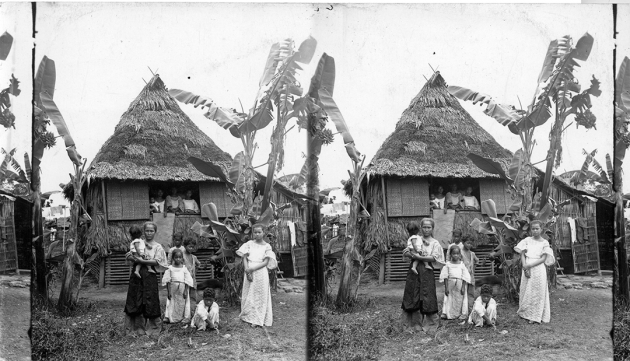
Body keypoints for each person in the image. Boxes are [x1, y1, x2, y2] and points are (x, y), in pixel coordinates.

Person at [401, 219, 445, 334]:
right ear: (421, 227)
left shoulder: (435, 243)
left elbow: (434, 258)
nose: (426, 229)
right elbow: (406, 252)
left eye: (429, 227)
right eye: (424, 227)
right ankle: (413, 325)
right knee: (412, 294)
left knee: (428, 295)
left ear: (432, 228)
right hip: (414, 271)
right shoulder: (416, 238)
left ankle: (430, 324)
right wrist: (411, 254)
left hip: (427, 271)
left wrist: (420, 258)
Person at [124, 222, 168, 336]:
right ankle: (136, 328)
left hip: (150, 275)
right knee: (135, 298)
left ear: (155, 232)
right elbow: (130, 255)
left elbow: (157, 261)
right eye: (147, 231)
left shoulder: (158, 247)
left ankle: (153, 328)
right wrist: (130, 256)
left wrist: (142, 261)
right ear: (144, 231)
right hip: (137, 275)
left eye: (151, 231)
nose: (149, 233)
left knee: (151, 299)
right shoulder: (139, 242)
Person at [236, 223, 278, 327]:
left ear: (264, 233)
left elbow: (265, 262)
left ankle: (258, 318)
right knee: (249, 292)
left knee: (260, 294)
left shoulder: (267, 246)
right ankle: (249, 315)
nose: (257, 234)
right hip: (249, 269)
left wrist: (252, 269)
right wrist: (247, 270)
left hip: (260, 272)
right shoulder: (249, 243)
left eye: (259, 232)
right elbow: (244, 257)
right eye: (255, 232)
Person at [514, 220, 555, 324]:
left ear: (541, 229)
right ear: (530, 230)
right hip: (526, 266)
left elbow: (543, 258)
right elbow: (522, 254)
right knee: (527, 289)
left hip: (538, 268)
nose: (535, 231)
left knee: (537, 291)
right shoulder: (527, 240)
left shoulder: (544, 242)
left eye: (537, 228)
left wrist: (530, 265)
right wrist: (525, 266)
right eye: (533, 229)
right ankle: (526, 312)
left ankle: (535, 315)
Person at [162, 248, 194, 324]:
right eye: (176, 257)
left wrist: (186, 291)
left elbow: (187, 280)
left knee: (181, 303)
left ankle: (184, 317)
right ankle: (168, 317)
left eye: (180, 257)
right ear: (173, 258)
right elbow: (168, 281)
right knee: (171, 302)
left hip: (182, 289)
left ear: (182, 258)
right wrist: (169, 292)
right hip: (173, 288)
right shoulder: (170, 268)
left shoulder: (184, 268)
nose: (178, 259)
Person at [439, 247, 471, 320]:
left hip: (459, 284)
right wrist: (446, 287)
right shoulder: (448, 264)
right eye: (454, 254)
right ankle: (446, 313)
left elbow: (465, 276)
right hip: (450, 284)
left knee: (459, 299)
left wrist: (463, 287)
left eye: (457, 254)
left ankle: (461, 313)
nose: (455, 255)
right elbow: (445, 276)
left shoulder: (461, 265)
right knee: (449, 298)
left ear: (460, 255)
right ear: (450, 254)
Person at [182, 237, 202, 307]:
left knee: (193, 298)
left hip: (193, 281)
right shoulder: (181, 256)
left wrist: (198, 266)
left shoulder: (194, 257)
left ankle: (192, 313)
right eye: (189, 246)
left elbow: (198, 264)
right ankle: (185, 315)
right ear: (185, 246)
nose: (191, 248)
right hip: (183, 281)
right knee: (184, 298)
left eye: (192, 247)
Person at [461, 237, 479, 305]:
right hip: (462, 277)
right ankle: (463, 311)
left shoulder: (472, 254)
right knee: (462, 293)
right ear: (463, 243)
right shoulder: (459, 253)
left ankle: (470, 309)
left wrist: (473, 269)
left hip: (471, 277)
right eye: (468, 243)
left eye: (471, 244)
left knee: (471, 293)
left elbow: (477, 260)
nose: (469, 245)